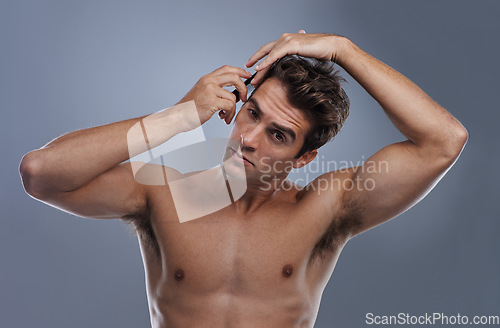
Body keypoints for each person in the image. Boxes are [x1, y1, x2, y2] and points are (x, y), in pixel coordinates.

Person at [19, 30, 468, 328]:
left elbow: (444, 141)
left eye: (279, 134)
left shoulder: (326, 208)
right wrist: (178, 117)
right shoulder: (163, 193)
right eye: (251, 113)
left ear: (304, 156)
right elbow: (42, 174)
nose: (249, 139)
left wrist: (342, 48)